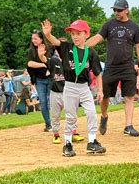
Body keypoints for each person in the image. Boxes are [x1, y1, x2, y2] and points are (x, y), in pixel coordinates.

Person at [42, 19, 105, 157]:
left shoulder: (91, 52)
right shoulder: (67, 47)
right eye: (73, 34)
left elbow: (98, 73)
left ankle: (92, 141)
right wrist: (47, 35)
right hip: (69, 87)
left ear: (86, 35)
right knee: (71, 117)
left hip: (84, 87)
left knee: (91, 113)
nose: (75, 36)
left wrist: (100, 90)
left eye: (78, 33)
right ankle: (68, 144)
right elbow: (55, 41)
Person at [86, 0, 139, 137]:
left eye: (119, 10)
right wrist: (82, 46)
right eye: (114, 10)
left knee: (129, 96)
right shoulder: (109, 25)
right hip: (111, 66)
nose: (116, 12)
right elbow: (97, 38)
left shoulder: (134, 27)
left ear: (126, 10)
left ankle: (128, 126)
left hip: (127, 66)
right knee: (105, 97)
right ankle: (104, 116)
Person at [46, 45, 85, 144]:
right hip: (55, 91)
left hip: (68, 91)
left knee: (72, 113)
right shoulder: (53, 61)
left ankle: (73, 133)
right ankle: (56, 134)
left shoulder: (71, 61)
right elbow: (44, 60)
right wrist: (41, 54)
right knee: (55, 115)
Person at [27, 30, 52, 131]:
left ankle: (55, 122)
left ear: (41, 39)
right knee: (43, 102)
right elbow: (29, 63)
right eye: (32, 38)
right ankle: (48, 124)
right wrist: (42, 65)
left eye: (35, 38)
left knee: (51, 101)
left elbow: (51, 63)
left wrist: (46, 64)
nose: (33, 40)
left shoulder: (49, 48)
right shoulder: (31, 51)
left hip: (50, 79)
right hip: (39, 80)